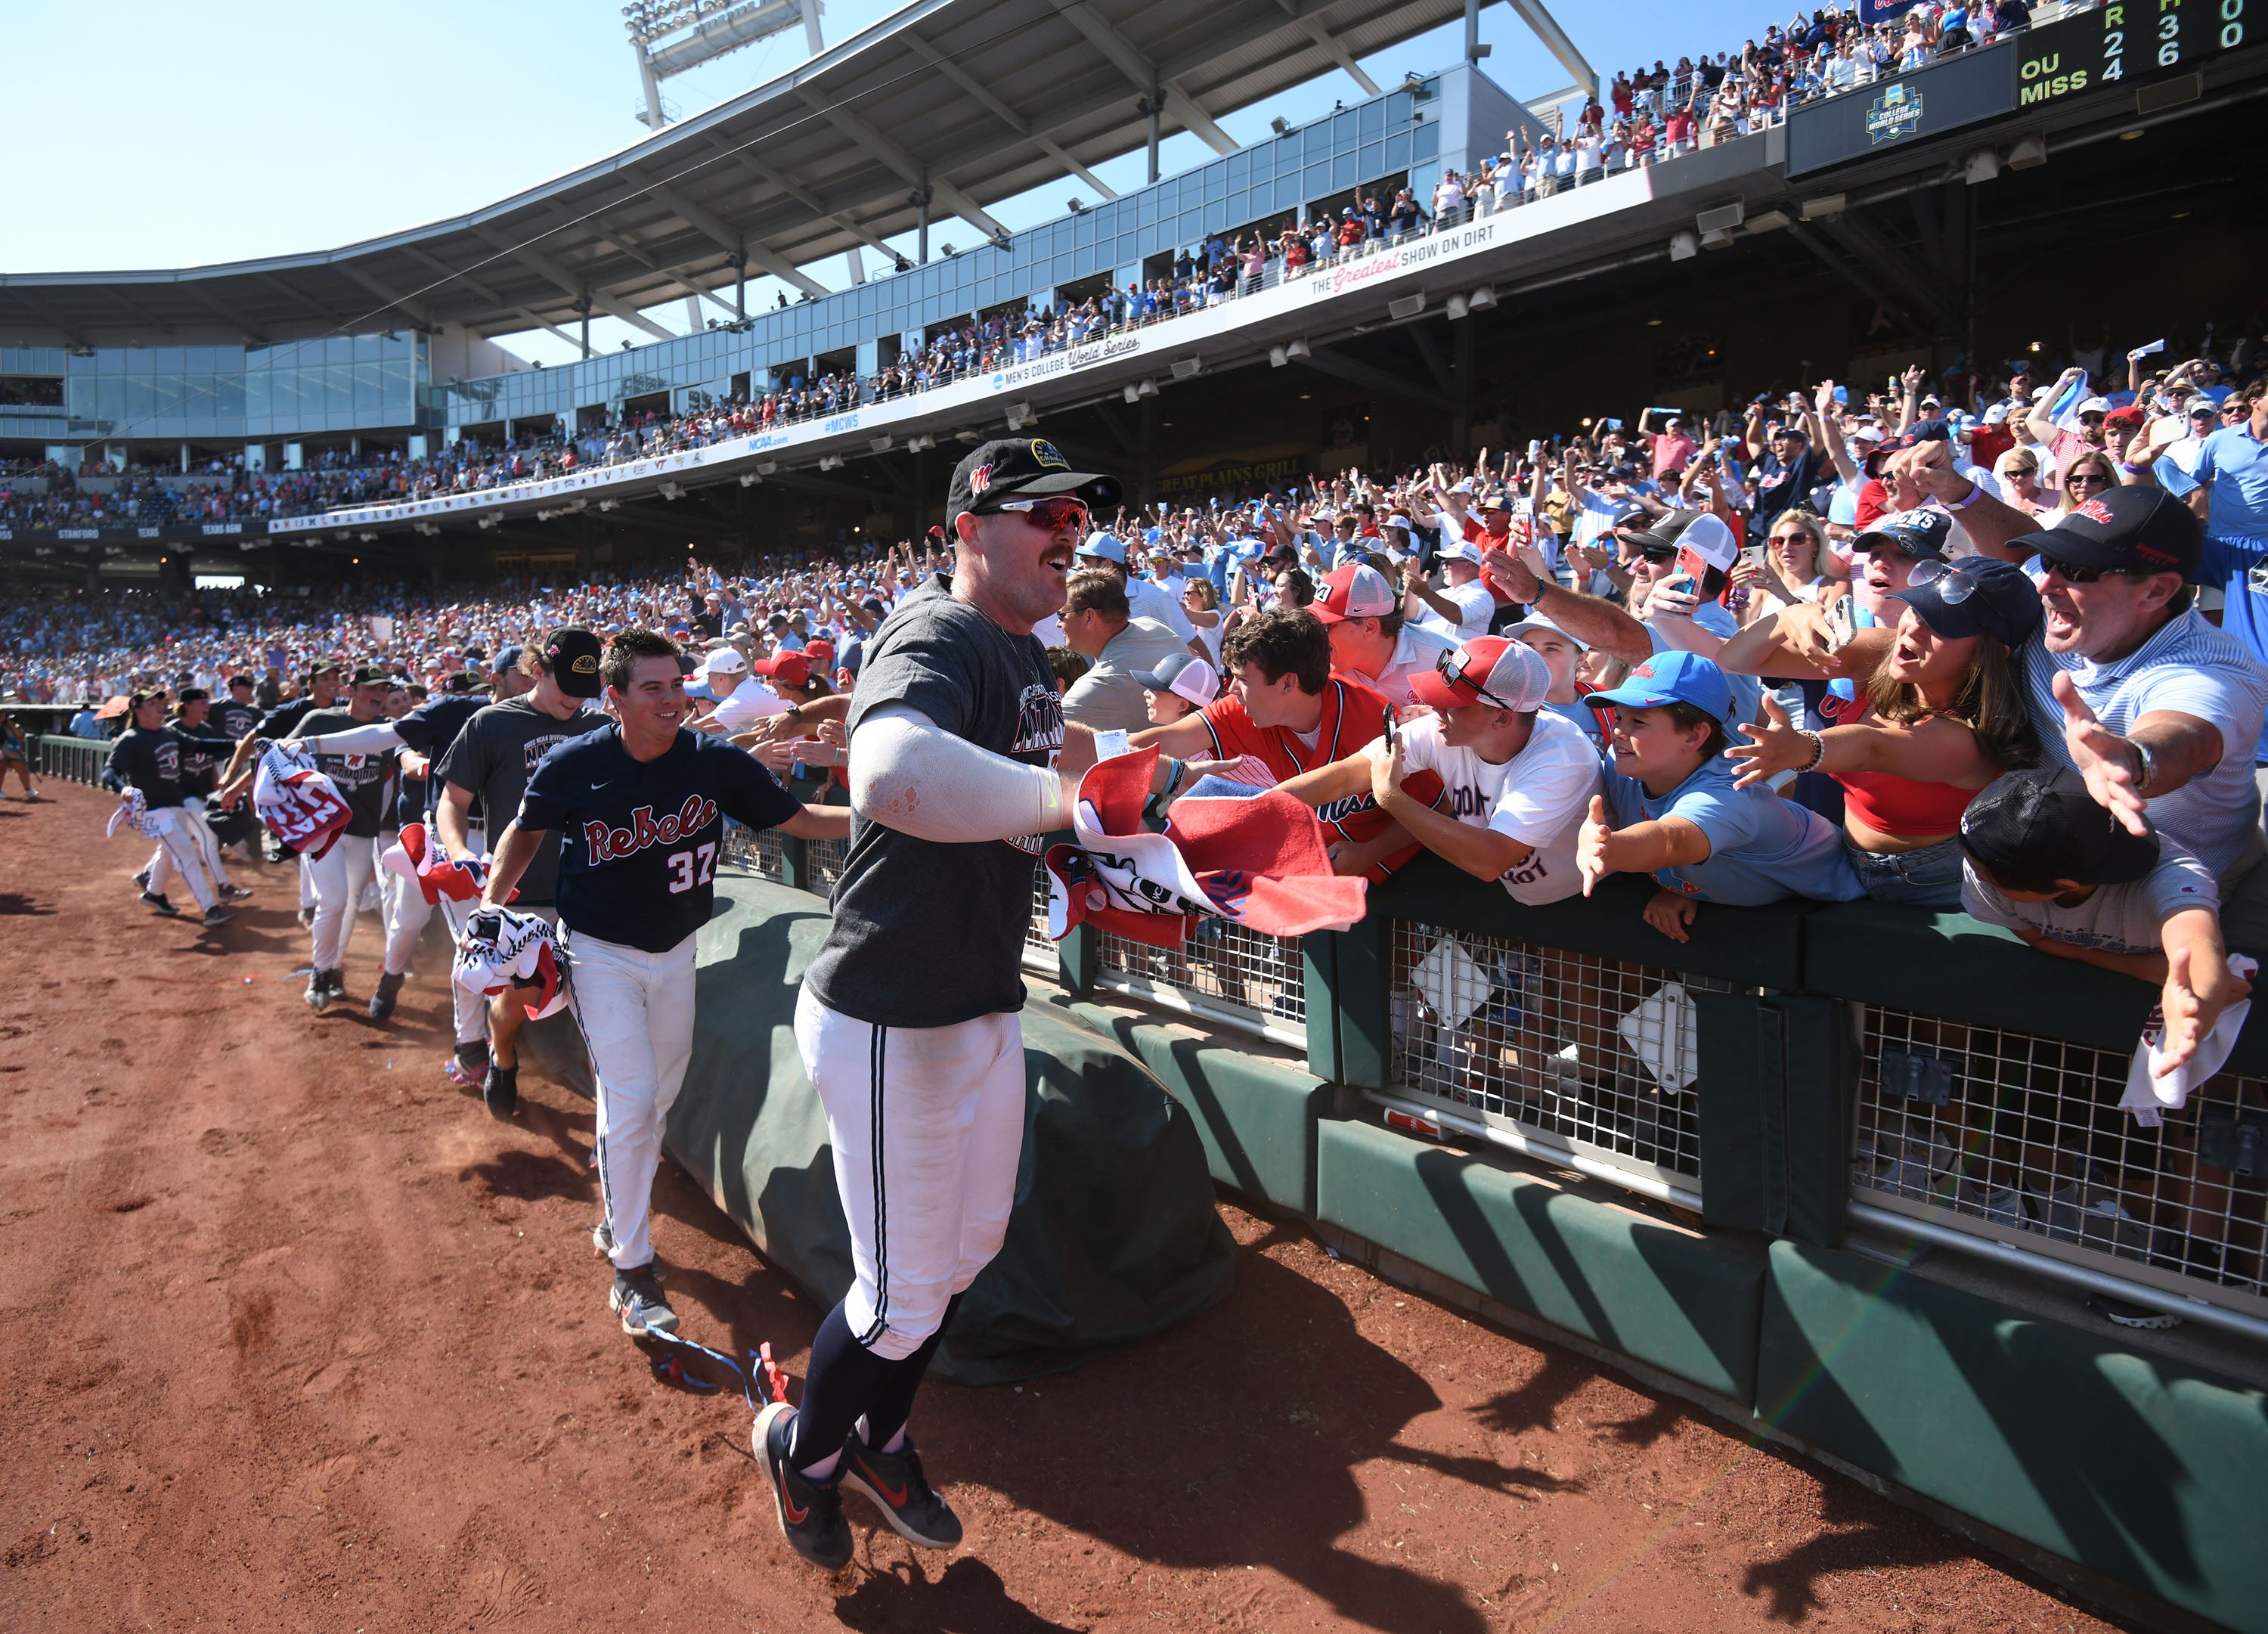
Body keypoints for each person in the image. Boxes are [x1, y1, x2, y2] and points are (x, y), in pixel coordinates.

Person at [758, 439, 1120, 1570]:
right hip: (887, 1012)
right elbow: (891, 775)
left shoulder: (1026, 657)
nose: (1071, 531)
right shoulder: (940, 630)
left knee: (964, 1257)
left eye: (1079, 517)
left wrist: (1134, 820)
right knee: (903, 1295)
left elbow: (1061, 796)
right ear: (968, 526)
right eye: (1042, 514)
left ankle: (882, 1430)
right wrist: (1072, 807)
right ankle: (805, 1453)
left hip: (975, 1001)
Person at [479, 628, 843, 1338]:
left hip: (678, 948)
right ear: (613, 698)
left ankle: (619, 1215)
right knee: (633, 1096)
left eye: (678, 684)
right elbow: (525, 830)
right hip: (597, 953)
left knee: (658, 1099)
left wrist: (882, 819)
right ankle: (632, 1267)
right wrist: (495, 902)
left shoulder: (712, 759)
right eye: (654, 688)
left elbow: (798, 820)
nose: (674, 698)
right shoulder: (573, 762)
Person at [1958, 767, 2248, 1072]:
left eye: (1988, 876)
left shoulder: (2172, 876)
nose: (1976, 873)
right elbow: (2038, 939)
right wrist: (2144, 968)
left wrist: (2197, 993)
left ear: (2066, 885)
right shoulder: (1990, 860)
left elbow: (2196, 940)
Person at [1276, 637, 1600, 898]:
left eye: (1453, 704)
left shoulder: (1562, 757)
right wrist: (1259, 809)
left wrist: (1393, 798)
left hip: (1587, 897)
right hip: (1515, 891)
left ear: (1501, 718)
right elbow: (1348, 775)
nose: (1435, 708)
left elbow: (1490, 859)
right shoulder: (1444, 729)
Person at [1572, 651, 1863, 940]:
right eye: (1619, 716)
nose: (1619, 730)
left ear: (1694, 736)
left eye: (1639, 721)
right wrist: (1675, 886)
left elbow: (1672, 841)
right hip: (1766, 910)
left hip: (1852, 908)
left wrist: (1610, 849)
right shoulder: (1622, 761)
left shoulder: (1728, 794)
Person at [435, 631, 608, 1115]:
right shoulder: (491, 723)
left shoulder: (598, 726)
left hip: (586, 892)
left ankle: (610, 1128)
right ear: (537, 670)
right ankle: (502, 1054)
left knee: (598, 1011)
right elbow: (454, 799)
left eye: (586, 685)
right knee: (514, 1003)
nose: (576, 697)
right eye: (567, 685)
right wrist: (458, 851)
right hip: (519, 892)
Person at [289, 666, 400, 1013]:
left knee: (351, 904)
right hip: (323, 827)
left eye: (383, 689)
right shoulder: (320, 720)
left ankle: (334, 968)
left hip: (362, 829)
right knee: (334, 900)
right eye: (371, 689)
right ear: (352, 690)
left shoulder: (386, 732)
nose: (378, 695)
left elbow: (387, 783)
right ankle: (320, 973)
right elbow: (285, 754)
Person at [102, 690, 237, 928]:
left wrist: (237, 743)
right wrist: (122, 788)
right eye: (152, 704)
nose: (160, 707)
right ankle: (210, 909)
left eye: (161, 703)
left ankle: (154, 894)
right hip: (154, 811)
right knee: (186, 854)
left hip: (176, 804)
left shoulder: (169, 733)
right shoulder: (131, 738)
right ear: (138, 710)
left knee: (167, 853)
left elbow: (200, 745)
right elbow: (109, 771)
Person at [1056, 570, 1193, 733]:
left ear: (1089, 617)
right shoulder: (1152, 626)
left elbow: (1043, 735)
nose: (1059, 624)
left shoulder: (1098, 686)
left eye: (1062, 615)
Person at [1310, 562, 1455, 709]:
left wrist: (1434, 722)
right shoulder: (1314, 660)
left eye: (1328, 626)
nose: (1318, 635)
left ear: (1369, 628)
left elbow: (1475, 723)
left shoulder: (1446, 662)